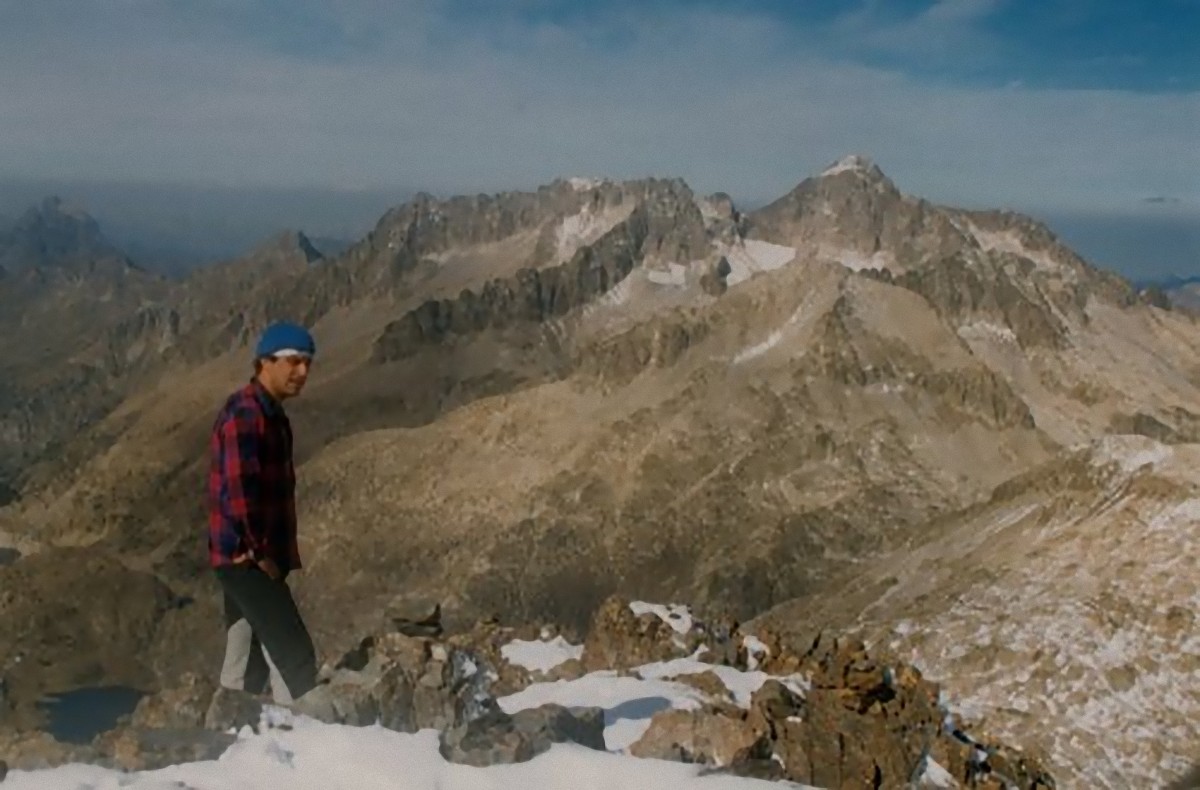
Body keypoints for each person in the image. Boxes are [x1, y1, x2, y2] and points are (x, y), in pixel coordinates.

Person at [207, 321, 319, 704]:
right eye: (293, 362)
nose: (302, 372)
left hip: (240, 556)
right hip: (248, 557)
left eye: (307, 363)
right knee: (294, 656)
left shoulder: (271, 414)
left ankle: (230, 733)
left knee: (245, 654)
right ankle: (304, 736)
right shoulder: (247, 414)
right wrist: (261, 554)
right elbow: (240, 491)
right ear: (264, 363)